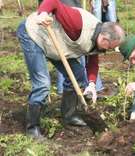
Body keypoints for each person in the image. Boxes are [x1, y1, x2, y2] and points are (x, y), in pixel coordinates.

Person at [16, 0, 125, 138]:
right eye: (109, 47)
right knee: (42, 83)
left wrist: (91, 84)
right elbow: (53, 2)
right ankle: (32, 128)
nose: (108, 50)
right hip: (34, 35)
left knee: (78, 73)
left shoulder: (98, 41)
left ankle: (69, 115)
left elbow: (92, 62)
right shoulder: (78, 22)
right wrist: (43, 13)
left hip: (56, 44)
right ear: (104, 39)